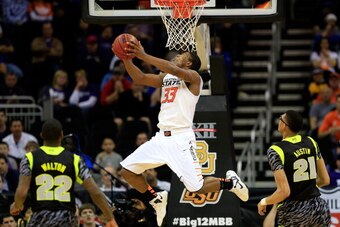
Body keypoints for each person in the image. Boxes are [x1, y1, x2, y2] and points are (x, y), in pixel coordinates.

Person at [118, 40, 249, 226]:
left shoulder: (194, 77)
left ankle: (230, 183)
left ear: (189, 63)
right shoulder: (166, 77)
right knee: (127, 170)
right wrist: (126, 59)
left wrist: (143, 55)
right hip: (161, 137)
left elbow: (176, 70)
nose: (177, 56)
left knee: (197, 188)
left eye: (182, 56)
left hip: (181, 139)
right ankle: (156, 198)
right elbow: (140, 78)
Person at [9, 118, 118, 227]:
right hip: (67, 219)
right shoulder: (75, 159)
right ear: (61, 135)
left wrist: (17, 205)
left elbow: (22, 191)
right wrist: (110, 218)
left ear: (41, 135)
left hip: (40, 218)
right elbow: (95, 192)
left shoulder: (29, 158)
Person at [257, 110, 330, 226]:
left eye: (281, 118)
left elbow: (284, 192)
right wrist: (306, 187)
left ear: (284, 125)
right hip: (318, 208)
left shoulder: (275, 150)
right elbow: (325, 180)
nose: (279, 120)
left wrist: (264, 201)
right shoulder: (311, 142)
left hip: (294, 211)